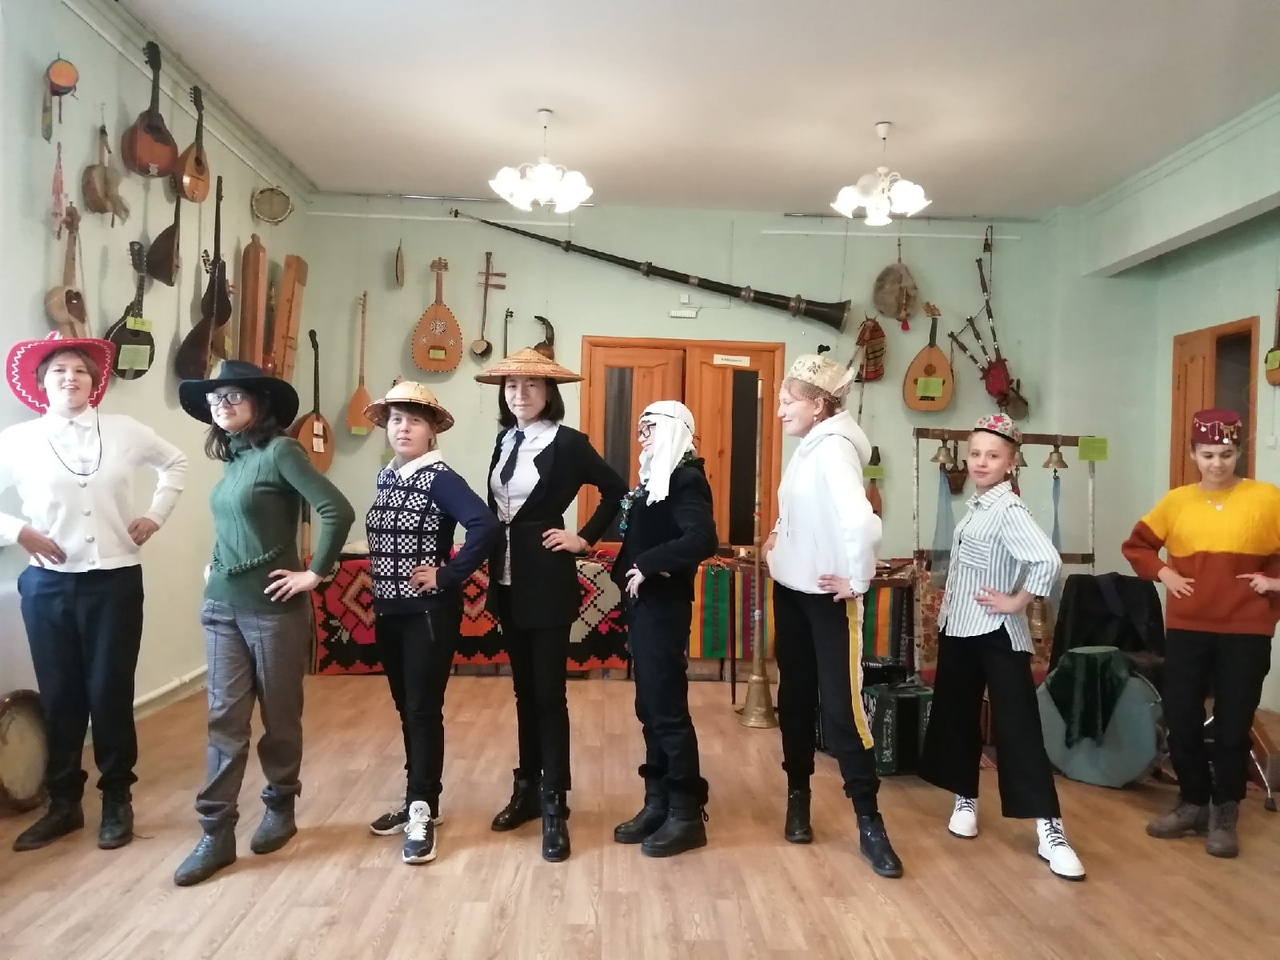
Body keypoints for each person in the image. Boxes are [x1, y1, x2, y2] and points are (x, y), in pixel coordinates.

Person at [1, 333, 188, 853]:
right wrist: (18, 531)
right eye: (59, 371)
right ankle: (63, 804)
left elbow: (175, 463)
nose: (70, 378)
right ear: (41, 383)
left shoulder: (124, 430)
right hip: (47, 586)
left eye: (80, 370)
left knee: (110, 692)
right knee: (61, 694)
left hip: (114, 582)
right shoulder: (18, 440)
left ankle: (116, 800)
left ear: (94, 381)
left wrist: (155, 515)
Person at [173, 361, 354, 886]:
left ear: (259, 402)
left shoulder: (281, 452)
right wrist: (215, 562)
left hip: (274, 611)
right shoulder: (233, 458)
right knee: (224, 720)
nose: (221, 406)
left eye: (232, 396)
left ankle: (280, 805)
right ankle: (216, 832)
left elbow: (336, 509)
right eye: (215, 400)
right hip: (221, 607)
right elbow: (234, 523)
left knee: (280, 717)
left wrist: (314, 573)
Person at [917, 413, 1085, 881]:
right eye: (975, 453)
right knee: (957, 716)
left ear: (1011, 463)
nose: (981, 462)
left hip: (996, 631)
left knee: (1018, 726)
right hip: (958, 627)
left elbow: (1046, 559)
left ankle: (1049, 829)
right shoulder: (976, 507)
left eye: (992, 456)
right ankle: (965, 799)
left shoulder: (1009, 509)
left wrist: (1017, 601)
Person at [474, 348, 628, 862]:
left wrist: (583, 538)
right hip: (506, 579)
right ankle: (526, 788)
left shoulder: (568, 443)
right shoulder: (503, 440)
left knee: (548, 693)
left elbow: (616, 491)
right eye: (512, 386)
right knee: (522, 692)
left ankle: (554, 800)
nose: (520, 394)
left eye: (531, 386)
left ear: (549, 393)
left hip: (546, 579)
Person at [765, 349, 903, 879]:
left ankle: (870, 822)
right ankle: (798, 799)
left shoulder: (835, 448)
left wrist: (859, 580)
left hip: (828, 600)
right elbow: (803, 508)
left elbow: (862, 522)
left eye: (788, 401)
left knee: (843, 709)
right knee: (795, 699)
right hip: (791, 591)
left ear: (819, 405)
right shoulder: (810, 446)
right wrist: (779, 534)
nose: (780, 410)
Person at [1123, 408, 1280, 859]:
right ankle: (1192, 800)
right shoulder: (1176, 502)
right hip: (1188, 627)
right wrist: (1164, 573)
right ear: (1193, 454)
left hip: (1246, 628)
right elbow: (1137, 546)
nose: (1217, 463)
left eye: (1226, 454)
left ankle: (1225, 810)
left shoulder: (1266, 499)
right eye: (1208, 454)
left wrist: (1273, 582)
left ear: (1239, 452)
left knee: (1233, 723)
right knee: (1181, 716)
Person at [361, 382, 500, 864]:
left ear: (431, 430)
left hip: (428, 613)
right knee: (407, 708)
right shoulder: (387, 477)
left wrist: (448, 574)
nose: (403, 428)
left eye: (415, 420)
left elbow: (484, 525)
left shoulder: (439, 478)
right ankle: (418, 798)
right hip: (389, 611)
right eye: (396, 419)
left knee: (422, 709)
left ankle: (422, 807)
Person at [610, 401, 718, 858]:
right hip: (645, 606)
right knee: (649, 708)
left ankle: (687, 814)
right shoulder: (658, 479)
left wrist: (649, 564)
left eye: (650, 428)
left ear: (676, 430)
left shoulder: (686, 478)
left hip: (664, 607)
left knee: (667, 710)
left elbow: (701, 538)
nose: (642, 437)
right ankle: (657, 803)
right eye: (640, 429)